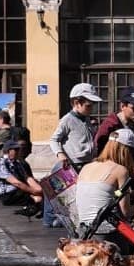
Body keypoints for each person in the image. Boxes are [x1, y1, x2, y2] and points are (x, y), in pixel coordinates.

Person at [45, 82, 103, 226]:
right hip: (71, 164)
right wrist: (60, 154)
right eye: (88, 106)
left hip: (86, 164)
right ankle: (53, 219)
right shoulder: (67, 120)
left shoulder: (87, 119)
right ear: (77, 103)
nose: (91, 109)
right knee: (60, 194)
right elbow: (54, 139)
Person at [76, 128, 134, 250]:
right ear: (126, 151)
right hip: (109, 233)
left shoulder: (86, 167)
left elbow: (101, 195)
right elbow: (126, 213)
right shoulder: (120, 170)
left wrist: (127, 195)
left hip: (84, 231)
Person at [0, 139, 45, 217]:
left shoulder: (17, 162)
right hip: (8, 194)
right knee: (38, 199)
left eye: (18, 149)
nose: (19, 151)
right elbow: (16, 183)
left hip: (18, 191)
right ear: (9, 151)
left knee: (43, 195)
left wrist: (39, 189)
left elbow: (27, 178)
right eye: (16, 150)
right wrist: (33, 191)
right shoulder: (2, 163)